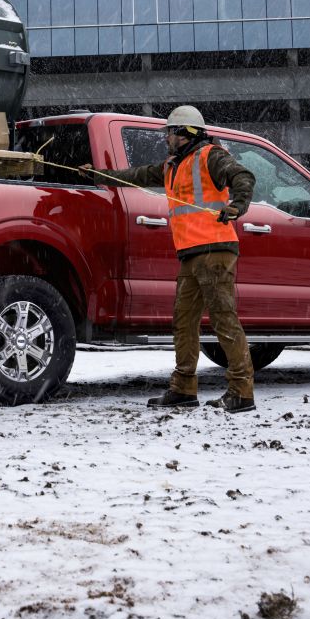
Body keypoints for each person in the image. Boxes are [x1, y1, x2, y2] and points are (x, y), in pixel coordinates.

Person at [89, 106, 258, 413]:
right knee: (184, 322)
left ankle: (242, 392)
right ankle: (183, 389)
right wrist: (100, 176)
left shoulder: (211, 156)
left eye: (169, 132)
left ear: (185, 133)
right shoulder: (171, 165)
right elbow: (136, 176)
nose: (166, 138)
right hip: (191, 253)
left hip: (215, 249)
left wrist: (238, 205)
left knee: (223, 320)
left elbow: (243, 176)